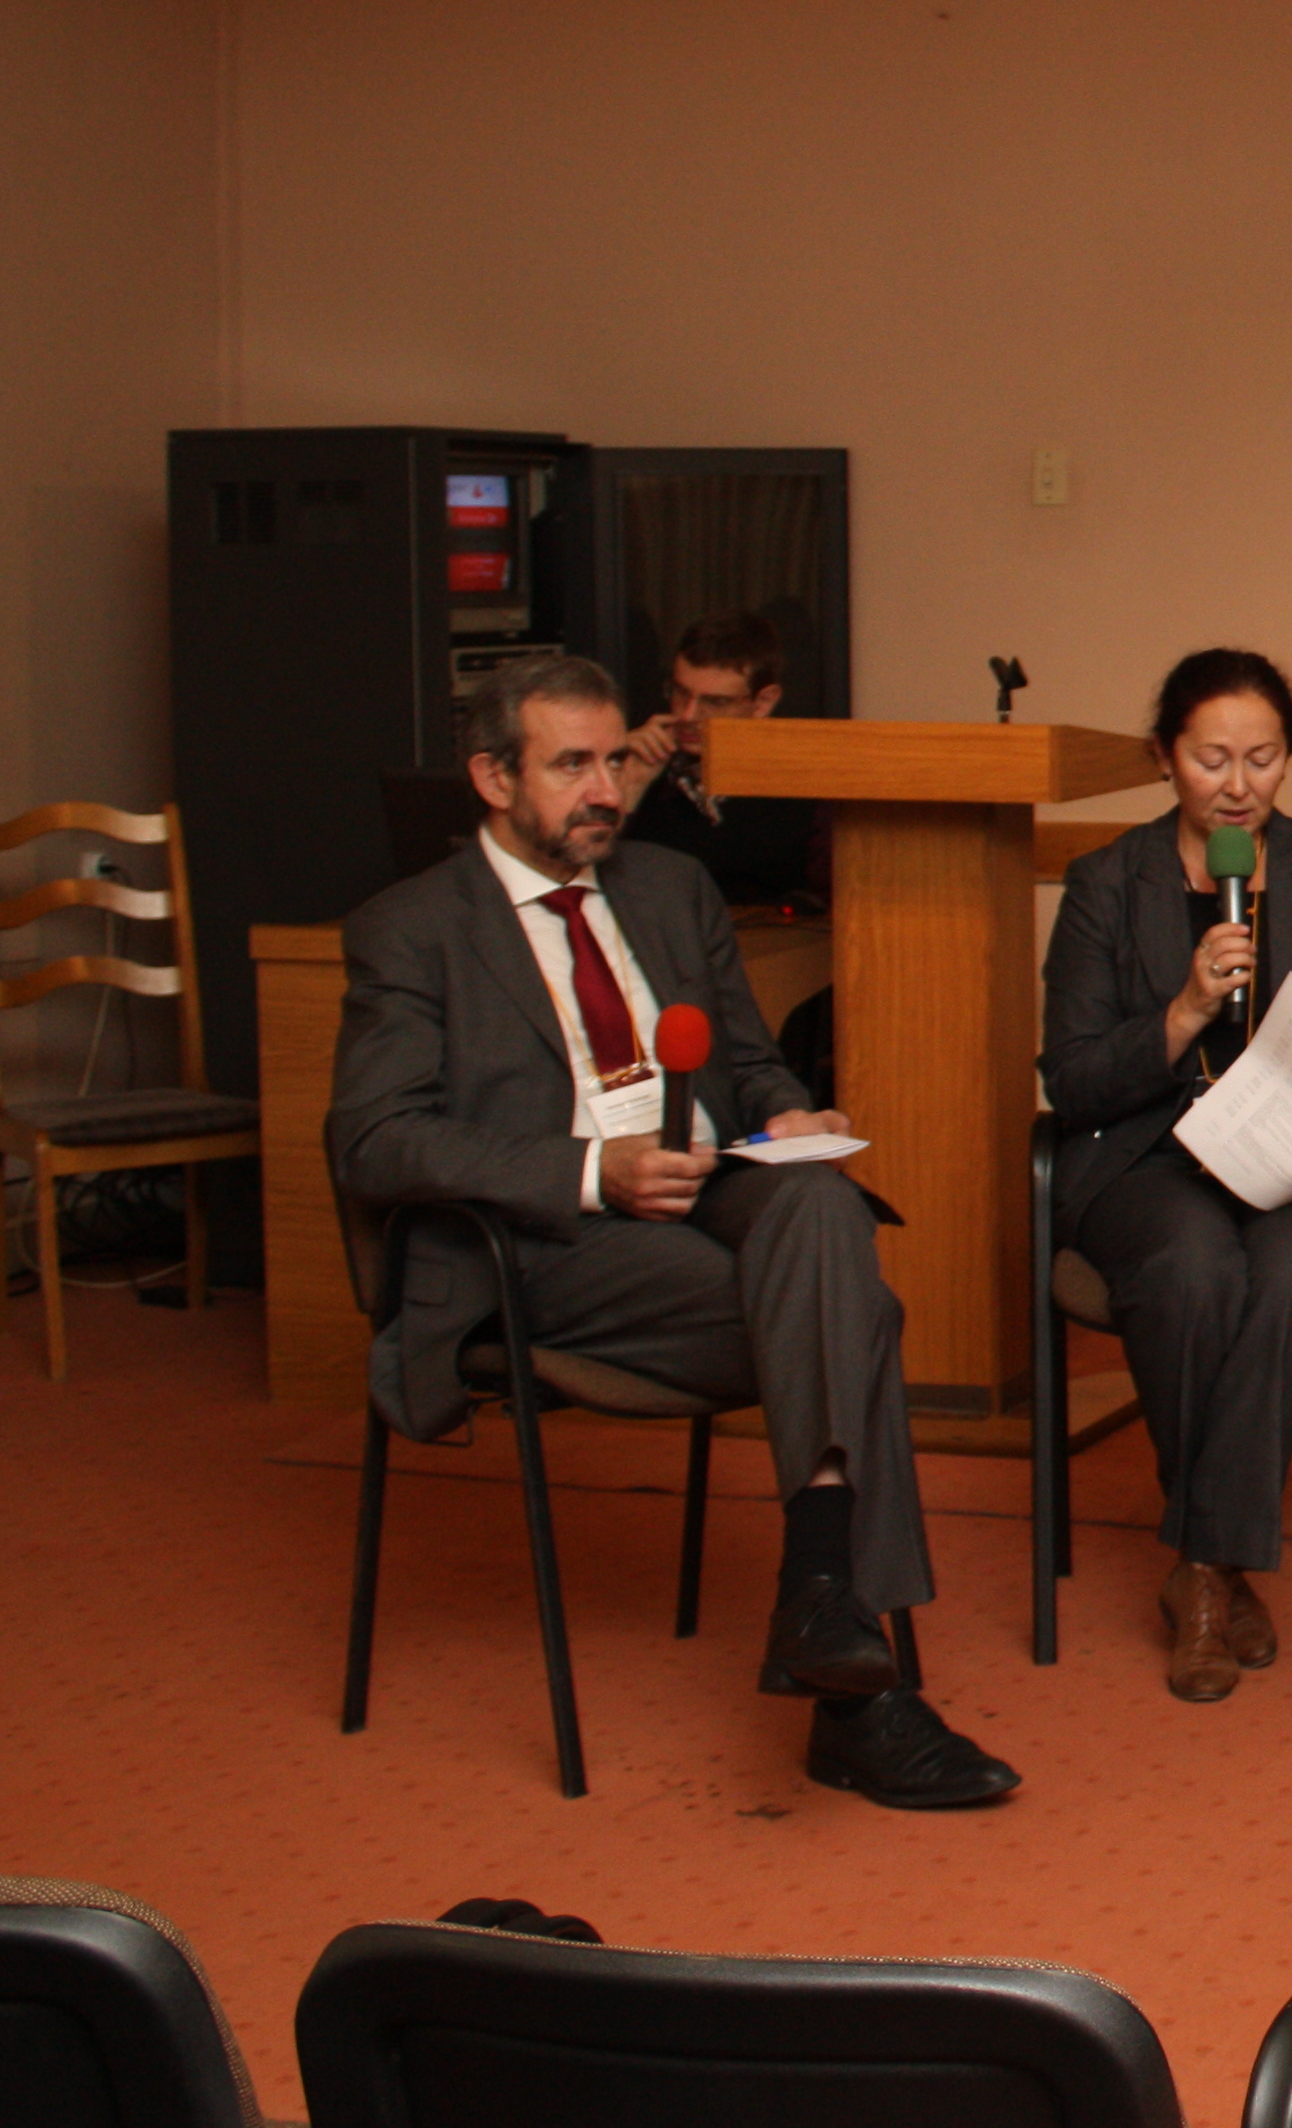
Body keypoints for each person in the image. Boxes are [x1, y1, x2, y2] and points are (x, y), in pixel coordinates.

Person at [327, 652, 1015, 1810]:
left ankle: (820, 1595)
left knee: (818, 1196)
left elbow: (747, 1060)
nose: (606, 790)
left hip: (713, 1180)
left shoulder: (668, 887)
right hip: (548, 1236)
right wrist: (590, 1171)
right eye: (572, 766)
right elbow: (377, 1140)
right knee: (852, 1315)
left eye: (613, 761)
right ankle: (860, 1700)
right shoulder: (412, 928)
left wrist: (786, 1112)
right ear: (493, 777)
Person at [1041, 650, 1292, 1703]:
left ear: (1291, 757)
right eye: (1213, 760)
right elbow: (1072, 1077)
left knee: (1290, 1272)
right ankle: (1223, 1560)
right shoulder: (1105, 883)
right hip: (1149, 1158)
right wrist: (1184, 1012)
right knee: (1193, 1267)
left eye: (1264, 757)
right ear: (1166, 758)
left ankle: (1202, 1567)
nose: (1239, 786)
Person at [615, 611, 821, 908]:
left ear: (762, 703)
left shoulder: (803, 785)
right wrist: (629, 787)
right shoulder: (641, 764)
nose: (688, 715)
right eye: (680, 693)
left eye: (715, 702)